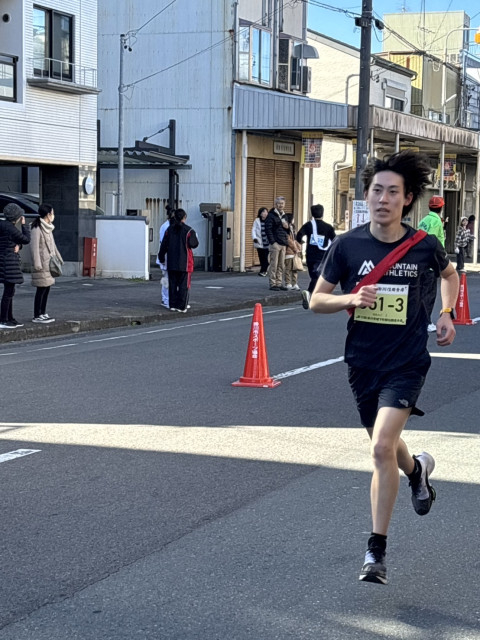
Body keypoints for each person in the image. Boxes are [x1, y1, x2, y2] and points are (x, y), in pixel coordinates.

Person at [310, 150, 459, 585]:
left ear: (407, 199)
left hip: (407, 362)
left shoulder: (424, 245)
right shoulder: (347, 245)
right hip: (362, 362)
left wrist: (446, 313)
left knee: (379, 448)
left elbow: (450, 276)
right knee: (387, 445)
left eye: (393, 192)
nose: (383, 199)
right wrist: (350, 298)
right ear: (367, 195)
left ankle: (375, 551)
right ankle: (418, 471)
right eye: (377, 190)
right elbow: (316, 300)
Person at [158, 208, 199, 313]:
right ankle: (181, 306)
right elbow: (194, 244)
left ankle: (172, 304)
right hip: (185, 263)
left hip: (171, 262)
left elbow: (163, 246)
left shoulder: (169, 230)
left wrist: (161, 257)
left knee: (172, 284)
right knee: (183, 285)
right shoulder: (189, 231)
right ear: (184, 218)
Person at [296, 204, 336, 309]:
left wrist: (301, 241)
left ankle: (313, 297)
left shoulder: (309, 225)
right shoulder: (328, 227)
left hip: (310, 255)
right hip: (322, 257)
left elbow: (299, 235)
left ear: (312, 214)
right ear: (322, 213)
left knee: (315, 276)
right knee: (318, 277)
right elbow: (335, 241)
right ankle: (309, 293)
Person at [30, 203, 63, 323]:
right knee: (41, 289)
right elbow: (34, 248)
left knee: (47, 288)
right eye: (52, 213)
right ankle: (37, 315)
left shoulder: (48, 227)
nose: (53, 215)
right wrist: (37, 263)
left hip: (49, 263)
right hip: (42, 264)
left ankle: (42, 312)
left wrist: (59, 257)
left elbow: (53, 245)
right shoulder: (37, 228)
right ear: (48, 214)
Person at [0, 203, 31, 329]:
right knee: (8, 292)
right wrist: (24, 225)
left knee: (10, 291)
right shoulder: (10, 228)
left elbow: (13, 242)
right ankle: (4, 320)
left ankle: (10, 318)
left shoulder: (3, 226)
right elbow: (26, 239)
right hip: (8, 262)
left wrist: (18, 246)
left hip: (4, 260)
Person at [418, 195, 445, 333]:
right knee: (429, 294)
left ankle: (418, 321)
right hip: (430, 263)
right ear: (441, 208)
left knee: (420, 293)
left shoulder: (423, 220)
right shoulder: (436, 221)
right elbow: (433, 243)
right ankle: (426, 322)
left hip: (420, 261)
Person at [264, 196, 289, 291]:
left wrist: (287, 227)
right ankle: (273, 283)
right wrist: (272, 242)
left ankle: (279, 283)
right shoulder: (271, 215)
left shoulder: (285, 216)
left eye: (282, 203)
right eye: (279, 203)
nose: (280, 205)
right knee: (273, 264)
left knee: (281, 265)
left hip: (283, 243)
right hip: (275, 243)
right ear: (275, 204)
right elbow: (268, 229)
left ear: (284, 204)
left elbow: (287, 230)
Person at [156, 205, 174, 308]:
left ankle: (167, 298)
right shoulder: (166, 227)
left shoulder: (166, 226)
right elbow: (164, 243)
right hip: (165, 256)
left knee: (168, 278)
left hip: (167, 256)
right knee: (166, 278)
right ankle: (165, 298)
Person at [282, 213, 302, 290]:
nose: (294, 220)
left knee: (295, 269)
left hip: (294, 252)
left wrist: (298, 247)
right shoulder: (286, 229)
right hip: (289, 251)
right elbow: (289, 241)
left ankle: (294, 283)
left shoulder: (292, 228)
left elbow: (295, 239)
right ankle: (288, 283)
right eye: (293, 218)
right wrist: (295, 248)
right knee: (288, 268)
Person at [251, 207, 269, 277]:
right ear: (260, 213)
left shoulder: (269, 220)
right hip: (259, 241)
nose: (265, 213)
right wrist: (254, 237)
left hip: (267, 242)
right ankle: (263, 270)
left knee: (266, 257)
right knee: (261, 257)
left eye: (266, 212)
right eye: (263, 212)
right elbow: (254, 229)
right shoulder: (257, 220)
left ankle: (264, 270)